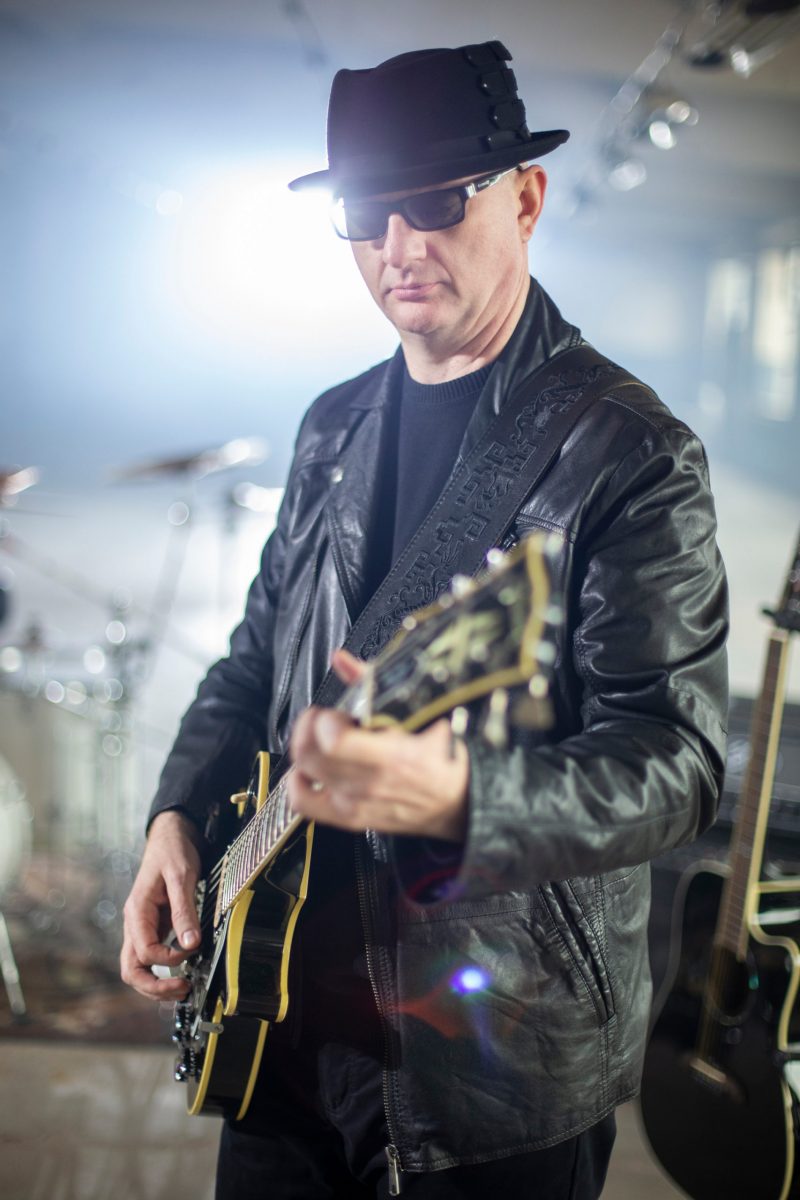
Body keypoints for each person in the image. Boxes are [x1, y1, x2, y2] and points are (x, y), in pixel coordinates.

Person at [120, 40, 729, 1199]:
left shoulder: (628, 454)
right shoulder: (331, 426)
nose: (397, 247)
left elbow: (677, 762)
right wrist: (175, 814)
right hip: (279, 1024)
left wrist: (464, 799)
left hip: (491, 1067)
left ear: (525, 199)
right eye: (365, 214)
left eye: (437, 202)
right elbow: (253, 661)